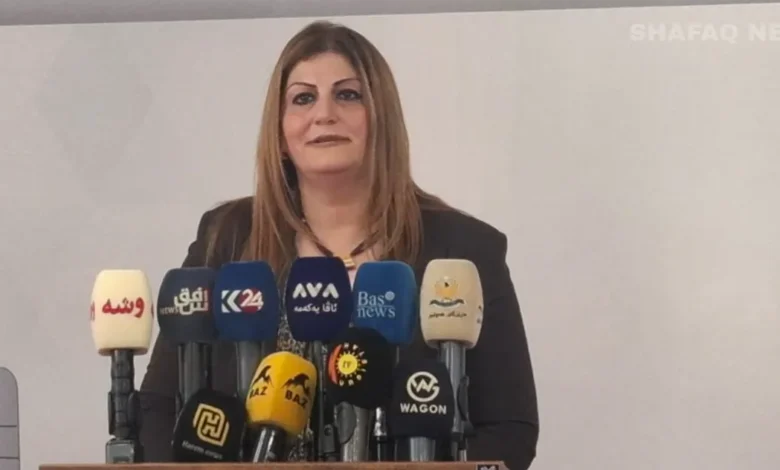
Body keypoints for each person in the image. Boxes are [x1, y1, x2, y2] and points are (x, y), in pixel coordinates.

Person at [139, 20, 539, 469]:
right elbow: (159, 408)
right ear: (280, 133)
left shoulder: (465, 248)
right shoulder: (227, 237)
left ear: (382, 119)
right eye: (303, 98)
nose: (324, 113)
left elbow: (509, 429)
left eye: (348, 94)